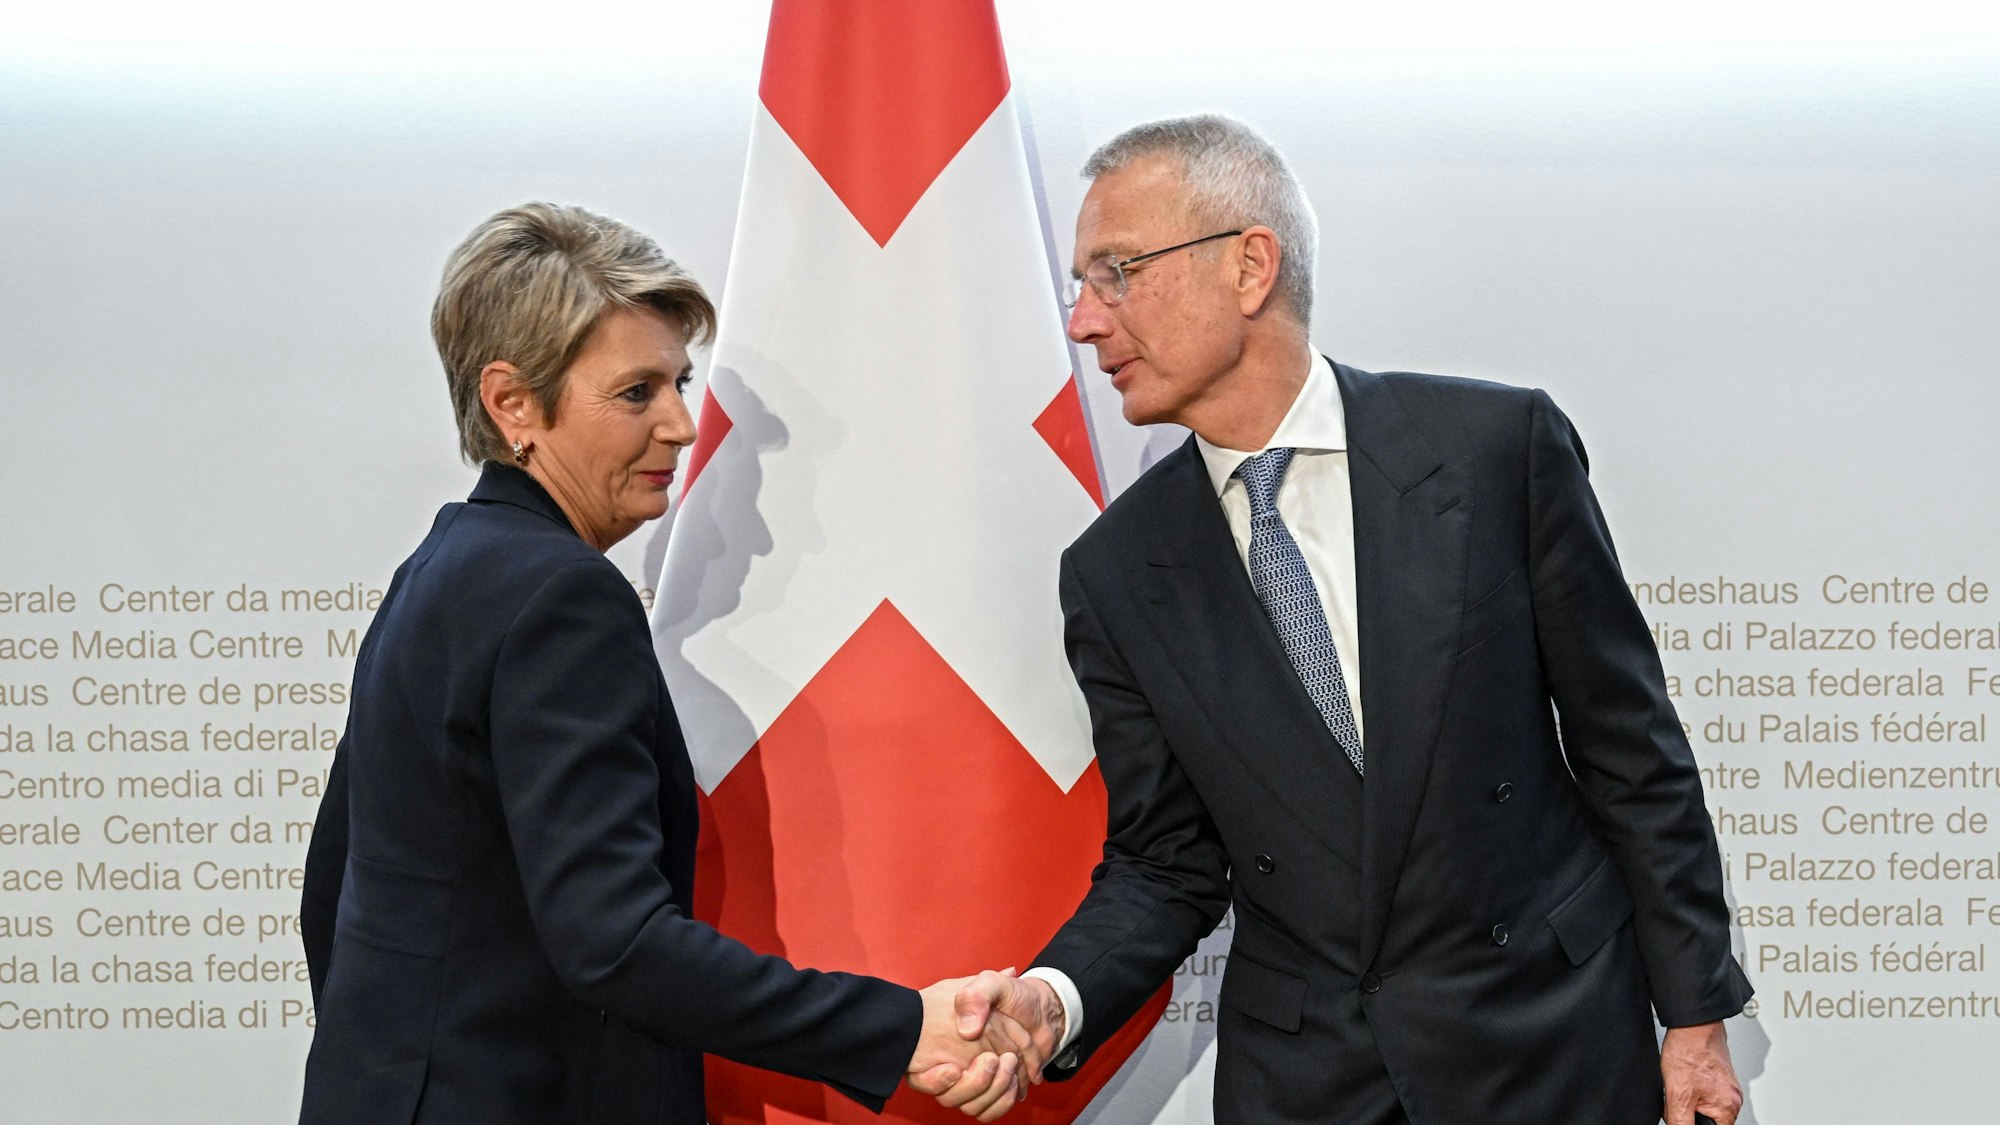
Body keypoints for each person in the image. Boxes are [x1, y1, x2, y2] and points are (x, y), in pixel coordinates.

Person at [952, 116, 1753, 1124]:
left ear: (1249, 267)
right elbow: (1165, 862)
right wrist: (1053, 998)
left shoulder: (1492, 452)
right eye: (1081, 285)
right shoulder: (1113, 574)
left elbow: (1630, 754)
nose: (1083, 323)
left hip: (1548, 1049)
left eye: (1116, 272)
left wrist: (1692, 1022)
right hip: (1311, 1085)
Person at [298, 202, 1031, 1124]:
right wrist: (898, 1026)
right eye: (637, 391)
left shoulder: (442, 566)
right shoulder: (562, 597)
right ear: (511, 402)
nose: (683, 425)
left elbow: (335, 891)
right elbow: (616, 944)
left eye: (679, 381)